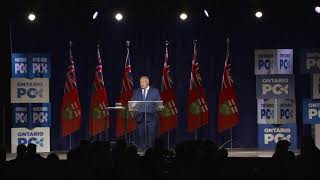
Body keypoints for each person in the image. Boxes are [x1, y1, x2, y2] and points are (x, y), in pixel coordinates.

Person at [131, 76, 161, 150]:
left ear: (147, 82)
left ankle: (150, 153)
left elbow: (159, 105)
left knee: (151, 137)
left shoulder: (155, 91)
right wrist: (134, 111)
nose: (141, 83)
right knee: (141, 137)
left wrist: (156, 112)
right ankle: (142, 152)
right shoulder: (136, 91)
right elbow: (132, 103)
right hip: (140, 118)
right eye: (140, 82)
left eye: (143, 82)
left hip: (151, 118)